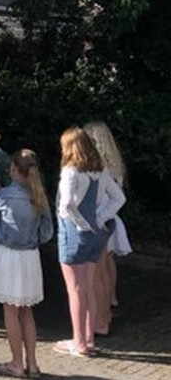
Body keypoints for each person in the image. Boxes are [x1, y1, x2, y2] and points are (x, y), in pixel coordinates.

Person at [54, 127, 125, 357]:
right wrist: (100, 218)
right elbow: (119, 198)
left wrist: (81, 225)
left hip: (73, 235)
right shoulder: (100, 171)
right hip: (96, 235)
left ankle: (78, 341)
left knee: (75, 290)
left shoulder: (70, 171)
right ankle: (89, 339)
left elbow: (65, 205)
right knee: (88, 288)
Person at [0, 149, 53, 379]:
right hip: (30, 256)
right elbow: (47, 232)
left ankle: (16, 362)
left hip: (7, 254)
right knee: (27, 311)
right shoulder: (39, 196)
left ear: (13, 169)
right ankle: (32, 363)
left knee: (10, 311)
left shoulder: (1, 195)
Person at [83, 120, 131, 337]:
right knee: (107, 267)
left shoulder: (97, 169)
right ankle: (108, 307)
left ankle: (100, 319)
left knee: (98, 272)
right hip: (111, 221)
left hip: (99, 222)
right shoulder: (115, 167)